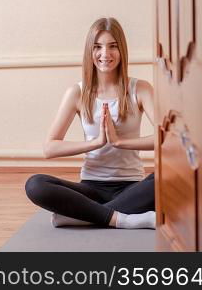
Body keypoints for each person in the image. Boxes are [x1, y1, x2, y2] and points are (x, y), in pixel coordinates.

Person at [25, 17, 155, 229]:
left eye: (113, 46)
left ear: (122, 50)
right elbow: (50, 148)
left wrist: (120, 142)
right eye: (98, 47)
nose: (105, 54)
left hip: (131, 186)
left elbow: (168, 139)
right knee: (35, 185)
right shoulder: (77, 92)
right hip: (91, 189)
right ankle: (122, 218)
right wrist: (96, 142)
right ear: (90, 51)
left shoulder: (140, 89)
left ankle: (83, 216)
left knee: (170, 178)